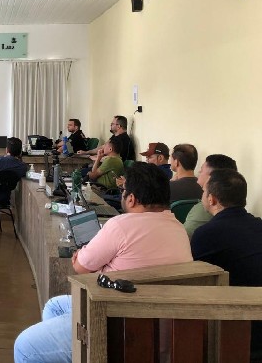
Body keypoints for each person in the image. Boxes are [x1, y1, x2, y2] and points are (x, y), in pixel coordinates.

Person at [14, 162, 192, 363]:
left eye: (123, 190)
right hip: (164, 324)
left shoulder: (120, 225)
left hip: (117, 321)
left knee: (24, 346)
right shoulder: (178, 228)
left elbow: (80, 267)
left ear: (131, 199)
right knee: (54, 306)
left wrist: (95, 262)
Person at [191, 169, 262, 357]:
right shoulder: (259, 225)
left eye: (204, 192)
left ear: (212, 199)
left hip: (235, 329)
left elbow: (196, 282)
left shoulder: (205, 234)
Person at [183, 154, 237, 239]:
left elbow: (183, 238)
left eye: (201, 170)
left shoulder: (204, 209)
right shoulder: (236, 206)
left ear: (212, 177)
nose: (199, 172)